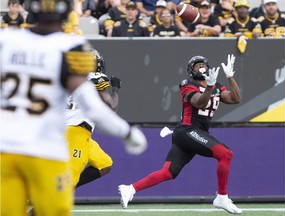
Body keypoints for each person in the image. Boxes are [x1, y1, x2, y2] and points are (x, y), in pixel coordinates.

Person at [0, 0, 147, 215]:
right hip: (45, 146)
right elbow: (97, 108)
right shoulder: (71, 49)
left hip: (8, 145)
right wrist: (126, 132)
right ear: (66, 15)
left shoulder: (6, 40)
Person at [118, 54, 242, 214]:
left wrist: (230, 77)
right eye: (197, 65)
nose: (201, 67)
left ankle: (130, 189)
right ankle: (222, 197)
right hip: (188, 131)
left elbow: (235, 99)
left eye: (203, 64)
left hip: (194, 133)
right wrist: (210, 87)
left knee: (168, 172)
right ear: (191, 70)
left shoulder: (216, 85)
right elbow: (199, 102)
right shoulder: (187, 85)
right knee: (225, 154)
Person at [66, 49, 122, 188]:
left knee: (105, 164)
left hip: (70, 129)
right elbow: (112, 107)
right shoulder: (96, 78)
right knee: (65, 185)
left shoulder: (69, 78)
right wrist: (115, 88)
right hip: (76, 132)